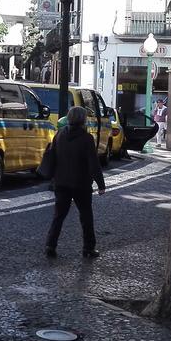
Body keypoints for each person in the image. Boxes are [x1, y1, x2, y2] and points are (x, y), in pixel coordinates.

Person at [43, 106, 106, 258]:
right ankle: (88, 248)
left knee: (59, 216)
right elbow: (93, 163)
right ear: (83, 120)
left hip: (61, 182)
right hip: (81, 184)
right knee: (86, 217)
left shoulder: (59, 135)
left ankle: (50, 245)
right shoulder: (87, 138)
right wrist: (101, 184)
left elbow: (54, 157)